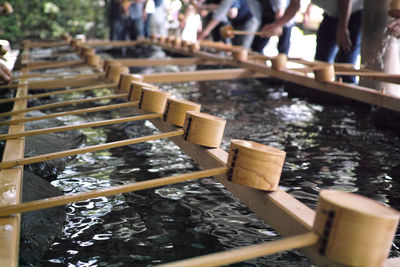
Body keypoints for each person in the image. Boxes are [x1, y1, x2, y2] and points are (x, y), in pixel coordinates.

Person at [260, 0, 363, 83]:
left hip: (352, 13)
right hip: (330, 15)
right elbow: (294, 5)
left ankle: (348, 94)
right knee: (320, 65)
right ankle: (326, 98)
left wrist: (342, 28)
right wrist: (277, 25)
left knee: (346, 65)